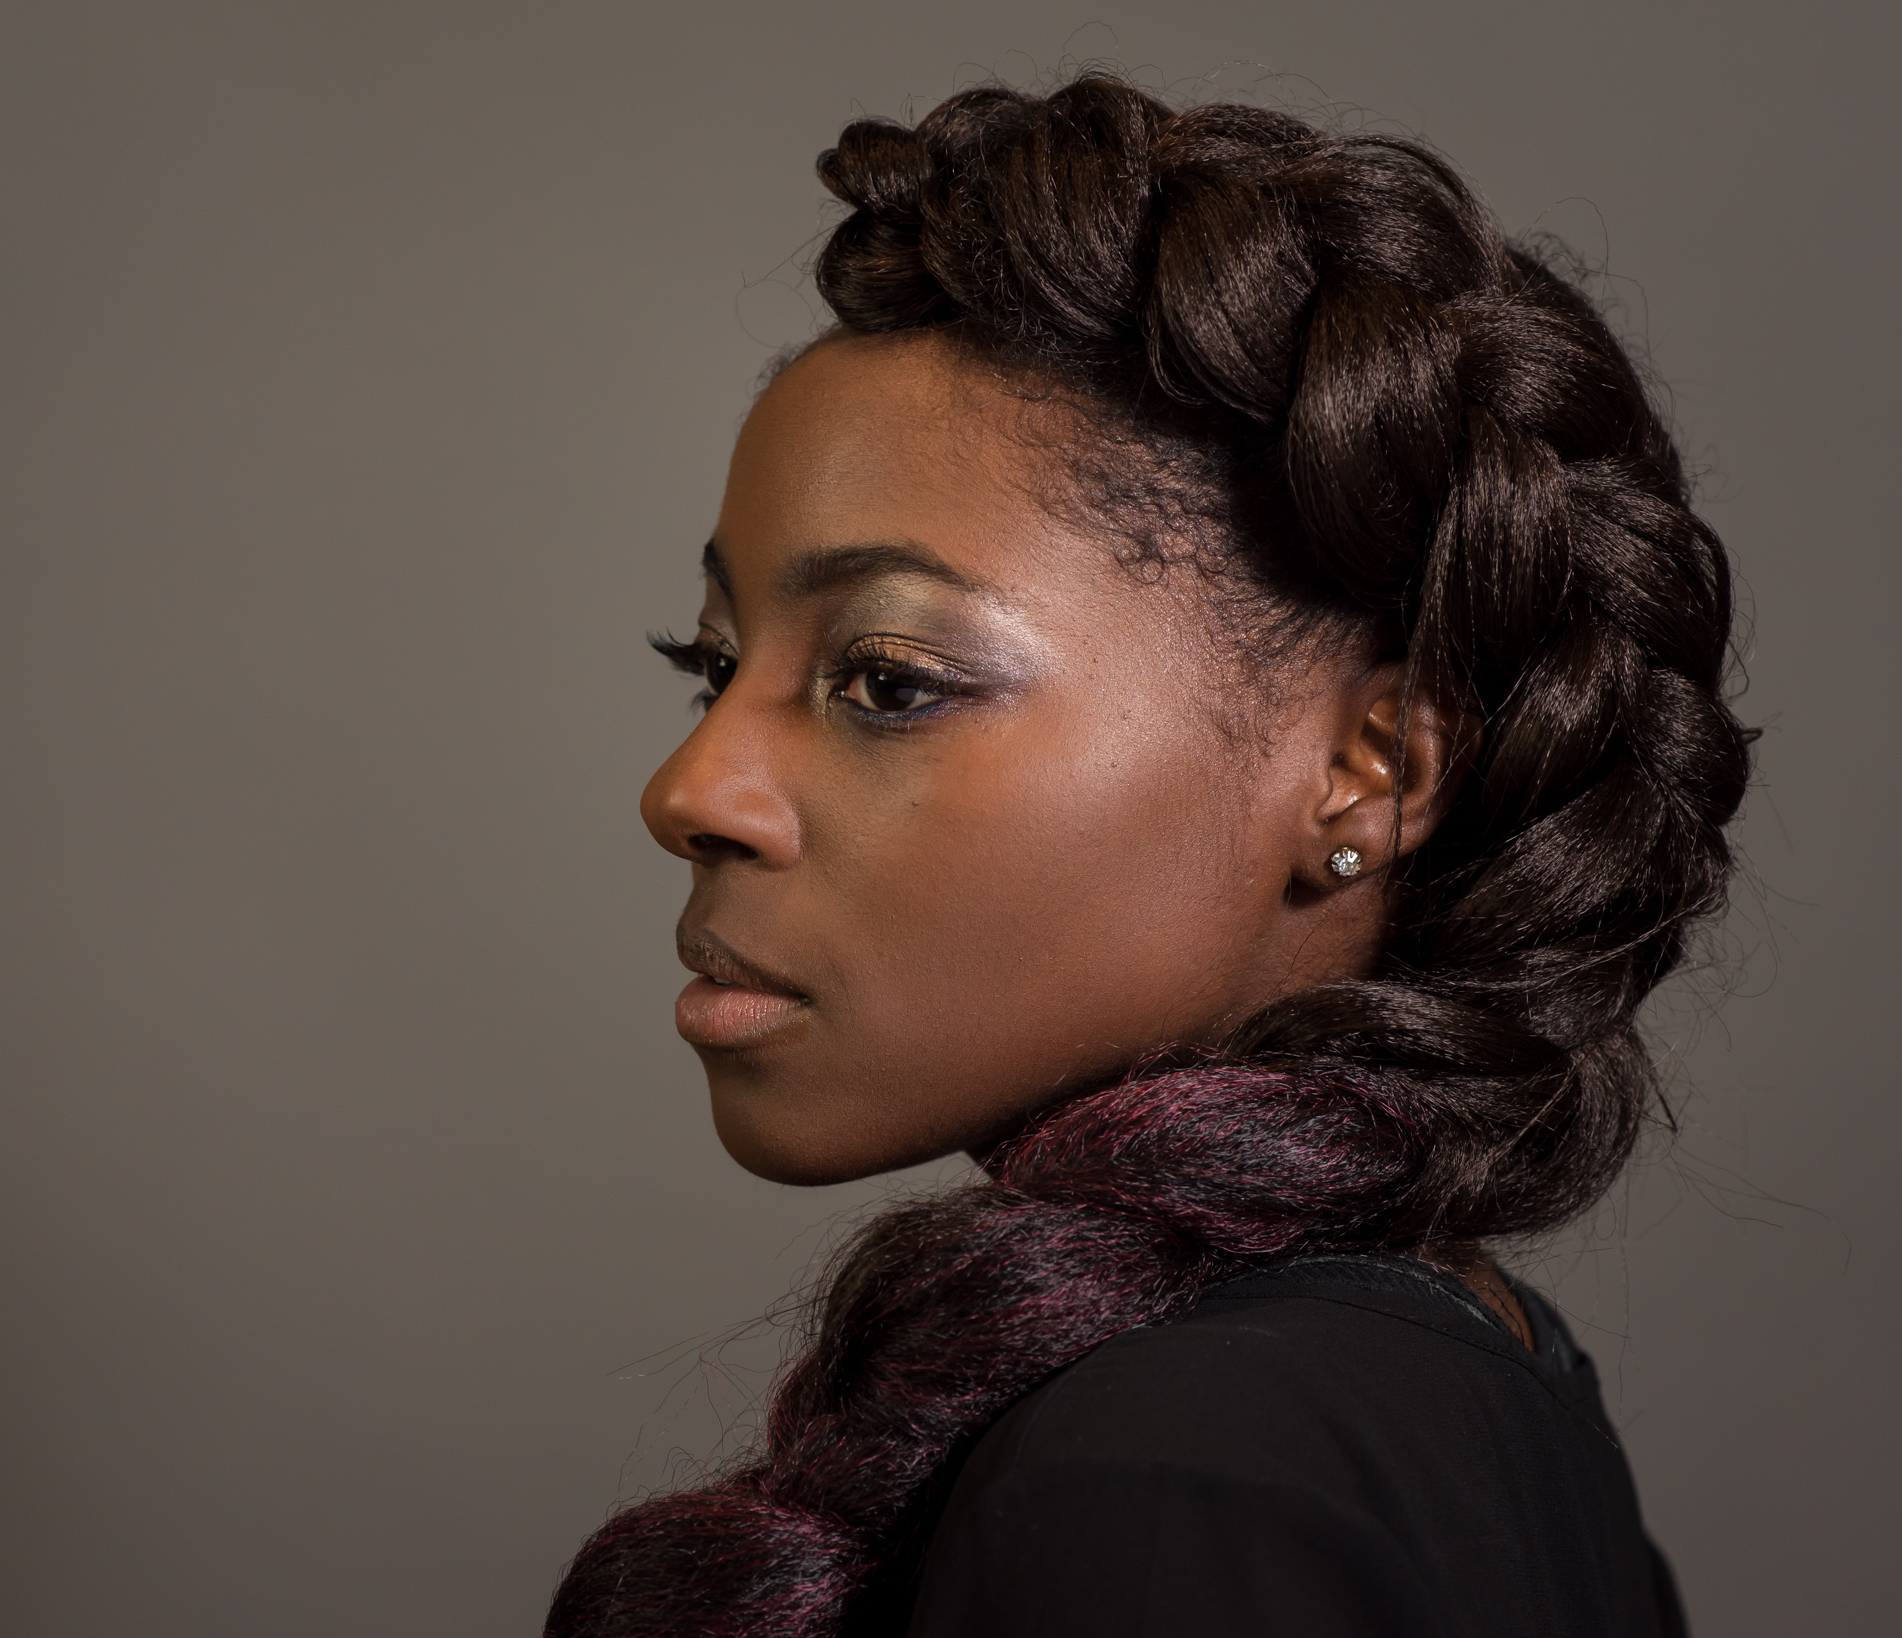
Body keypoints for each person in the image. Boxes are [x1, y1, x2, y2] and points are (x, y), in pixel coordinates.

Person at [548, 74, 1747, 1637]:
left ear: (1367, 775)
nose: (691, 789)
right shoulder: (1456, 1376)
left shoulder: (1171, 1476)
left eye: (889, 679)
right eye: (713, 665)